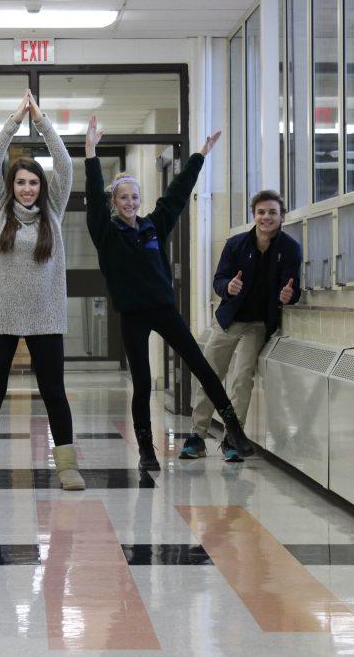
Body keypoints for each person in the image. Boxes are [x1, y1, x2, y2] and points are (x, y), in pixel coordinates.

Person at [83, 116, 254, 471]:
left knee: (201, 366)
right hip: (132, 315)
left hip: (164, 310)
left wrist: (200, 155)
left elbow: (177, 194)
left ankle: (234, 428)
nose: (130, 202)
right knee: (143, 382)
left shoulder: (153, 225)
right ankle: (146, 448)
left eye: (134, 197)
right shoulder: (106, 233)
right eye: (123, 198)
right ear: (113, 202)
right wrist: (90, 153)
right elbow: (93, 200)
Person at [0, 90, 84, 491]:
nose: (28, 188)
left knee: (54, 393)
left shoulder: (53, 211)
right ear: (11, 186)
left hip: (45, 315)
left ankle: (67, 466)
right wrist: (14, 121)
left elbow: (65, 165)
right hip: (0, 316)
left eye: (33, 182)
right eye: (21, 182)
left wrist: (43, 122)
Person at [180, 189, 301, 461]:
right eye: (261, 212)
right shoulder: (236, 244)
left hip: (257, 324)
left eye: (272, 212)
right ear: (254, 215)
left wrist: (288, 295)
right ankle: (196, 436)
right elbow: (219, 280)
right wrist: (228, 288)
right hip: (228, 320)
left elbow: (293, 286)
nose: (266, 217)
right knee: (209, 374)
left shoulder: (290, 249)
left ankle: (233, 438)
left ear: (282, 216)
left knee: (242, 379)